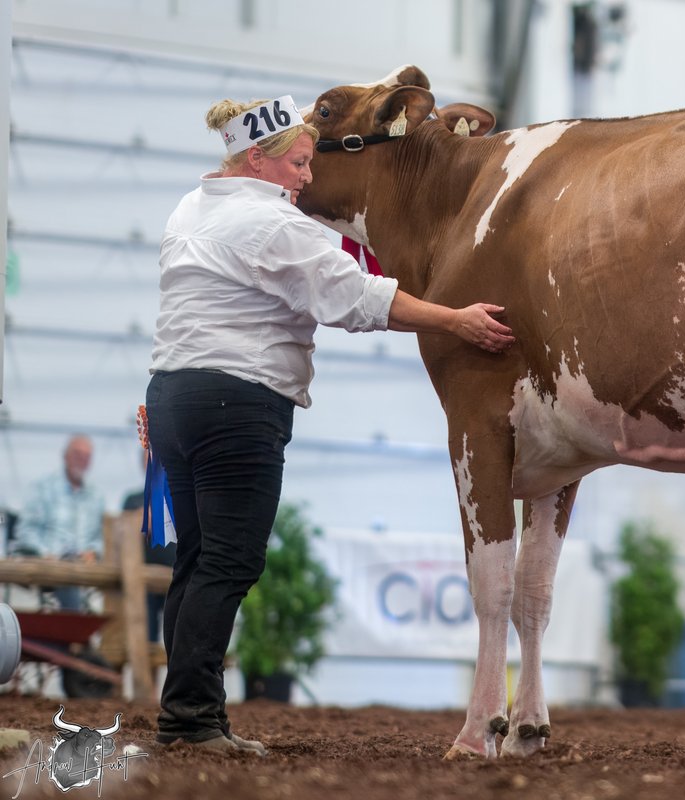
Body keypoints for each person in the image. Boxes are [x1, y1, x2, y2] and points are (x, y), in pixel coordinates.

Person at [145, 94, 514, 754]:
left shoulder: (188, 208)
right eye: (296, 162)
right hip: (239, 400)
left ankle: (184, 713)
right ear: (256, 158)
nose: (307, 177)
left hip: (175, 393)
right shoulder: (274, 227)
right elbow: (357, 299)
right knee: (229, 560)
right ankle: (190, 720)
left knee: (197, 559)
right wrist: (453, 319)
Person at [13, 435, 106, 611]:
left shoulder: (97, 496)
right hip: (49, 564)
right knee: (69, 578)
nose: (82, 460)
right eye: (78, 454)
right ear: (65, 456)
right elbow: (27, 531)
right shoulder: (42, 487)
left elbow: (101, 535)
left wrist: (94, 552)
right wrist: (44, 553)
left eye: (87, 456)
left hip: (86, 568)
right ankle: (76, 630)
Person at [122, 450, 176, 645]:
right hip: (143, 581)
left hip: (176, 576)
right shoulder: (133, 500)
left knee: (178, 635)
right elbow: (125, 533)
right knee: (146, 637)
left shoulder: (180, 496)